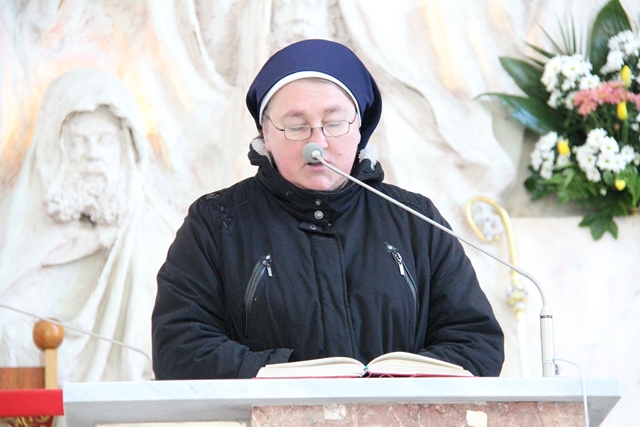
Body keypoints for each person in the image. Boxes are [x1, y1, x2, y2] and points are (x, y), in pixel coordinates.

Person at [151, 39, 504, 379]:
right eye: (295, 126)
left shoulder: (416, 220)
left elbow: (476, 342)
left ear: (359, 129)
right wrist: (291, 377)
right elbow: (179, 348)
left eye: (334, 123)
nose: (316, 142)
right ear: (266, 135)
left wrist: (388, 386)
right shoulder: (217, 223)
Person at [0, 68, 180, 382]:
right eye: (78, 142)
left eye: (105, 141)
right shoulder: (13, 234)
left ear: (127, 149)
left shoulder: (163, 239)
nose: (93, 155)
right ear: (53, 150)